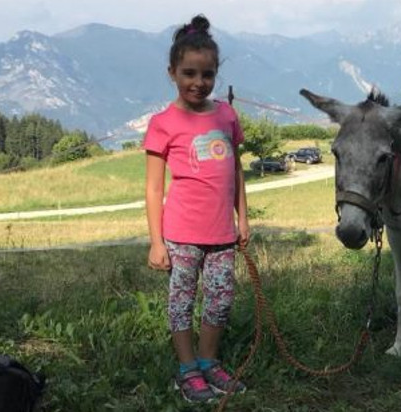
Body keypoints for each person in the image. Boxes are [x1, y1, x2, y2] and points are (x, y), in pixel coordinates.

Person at [142, 14, 249, 404]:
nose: (198, 82)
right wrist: (156, 242)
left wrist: (243, 218)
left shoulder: (226, 115)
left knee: (221, 300)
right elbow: (154, 187)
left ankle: (208, 361)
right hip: (182, 235)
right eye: (189, 73)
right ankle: (186, 369)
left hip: (221, 233)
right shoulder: (163, 123)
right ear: (172, 72)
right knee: (182, 301)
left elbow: (235, 170)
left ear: (216, 74)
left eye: (207, 74)